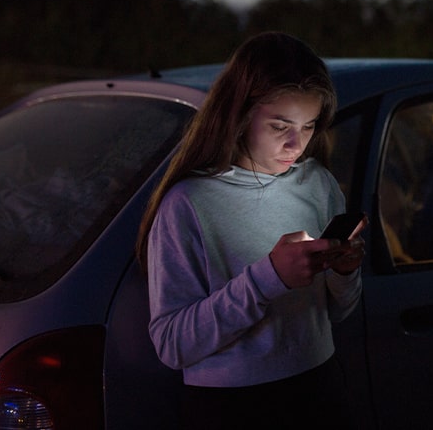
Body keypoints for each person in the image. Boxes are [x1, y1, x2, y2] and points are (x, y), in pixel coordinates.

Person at [136, 31, 365, 429]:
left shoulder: (318, 184)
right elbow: (172, 345)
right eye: (280, 126)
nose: (296, 145)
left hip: (319, 386)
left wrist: (345, 273)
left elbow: (337, 313)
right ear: (239, 115)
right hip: (234, 406)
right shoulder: (189, 203)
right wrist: (266, 279)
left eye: (308, 126)